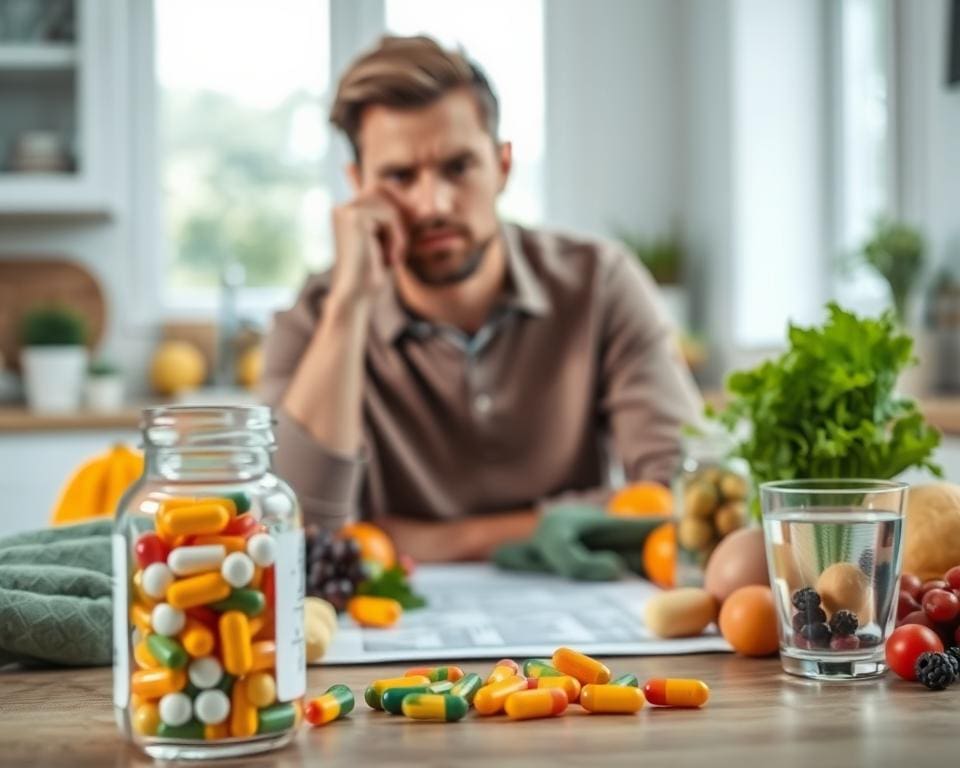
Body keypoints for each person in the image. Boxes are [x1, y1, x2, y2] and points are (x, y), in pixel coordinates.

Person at [262, 35, 702, 562]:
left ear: (503, 165)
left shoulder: (600, 282)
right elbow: (297, 539)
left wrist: (428, 539)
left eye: (458, 167)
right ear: (358, 186)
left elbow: (684, 499)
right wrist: (350, 307)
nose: (433, 204)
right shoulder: (317, 317)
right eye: (400, 177)